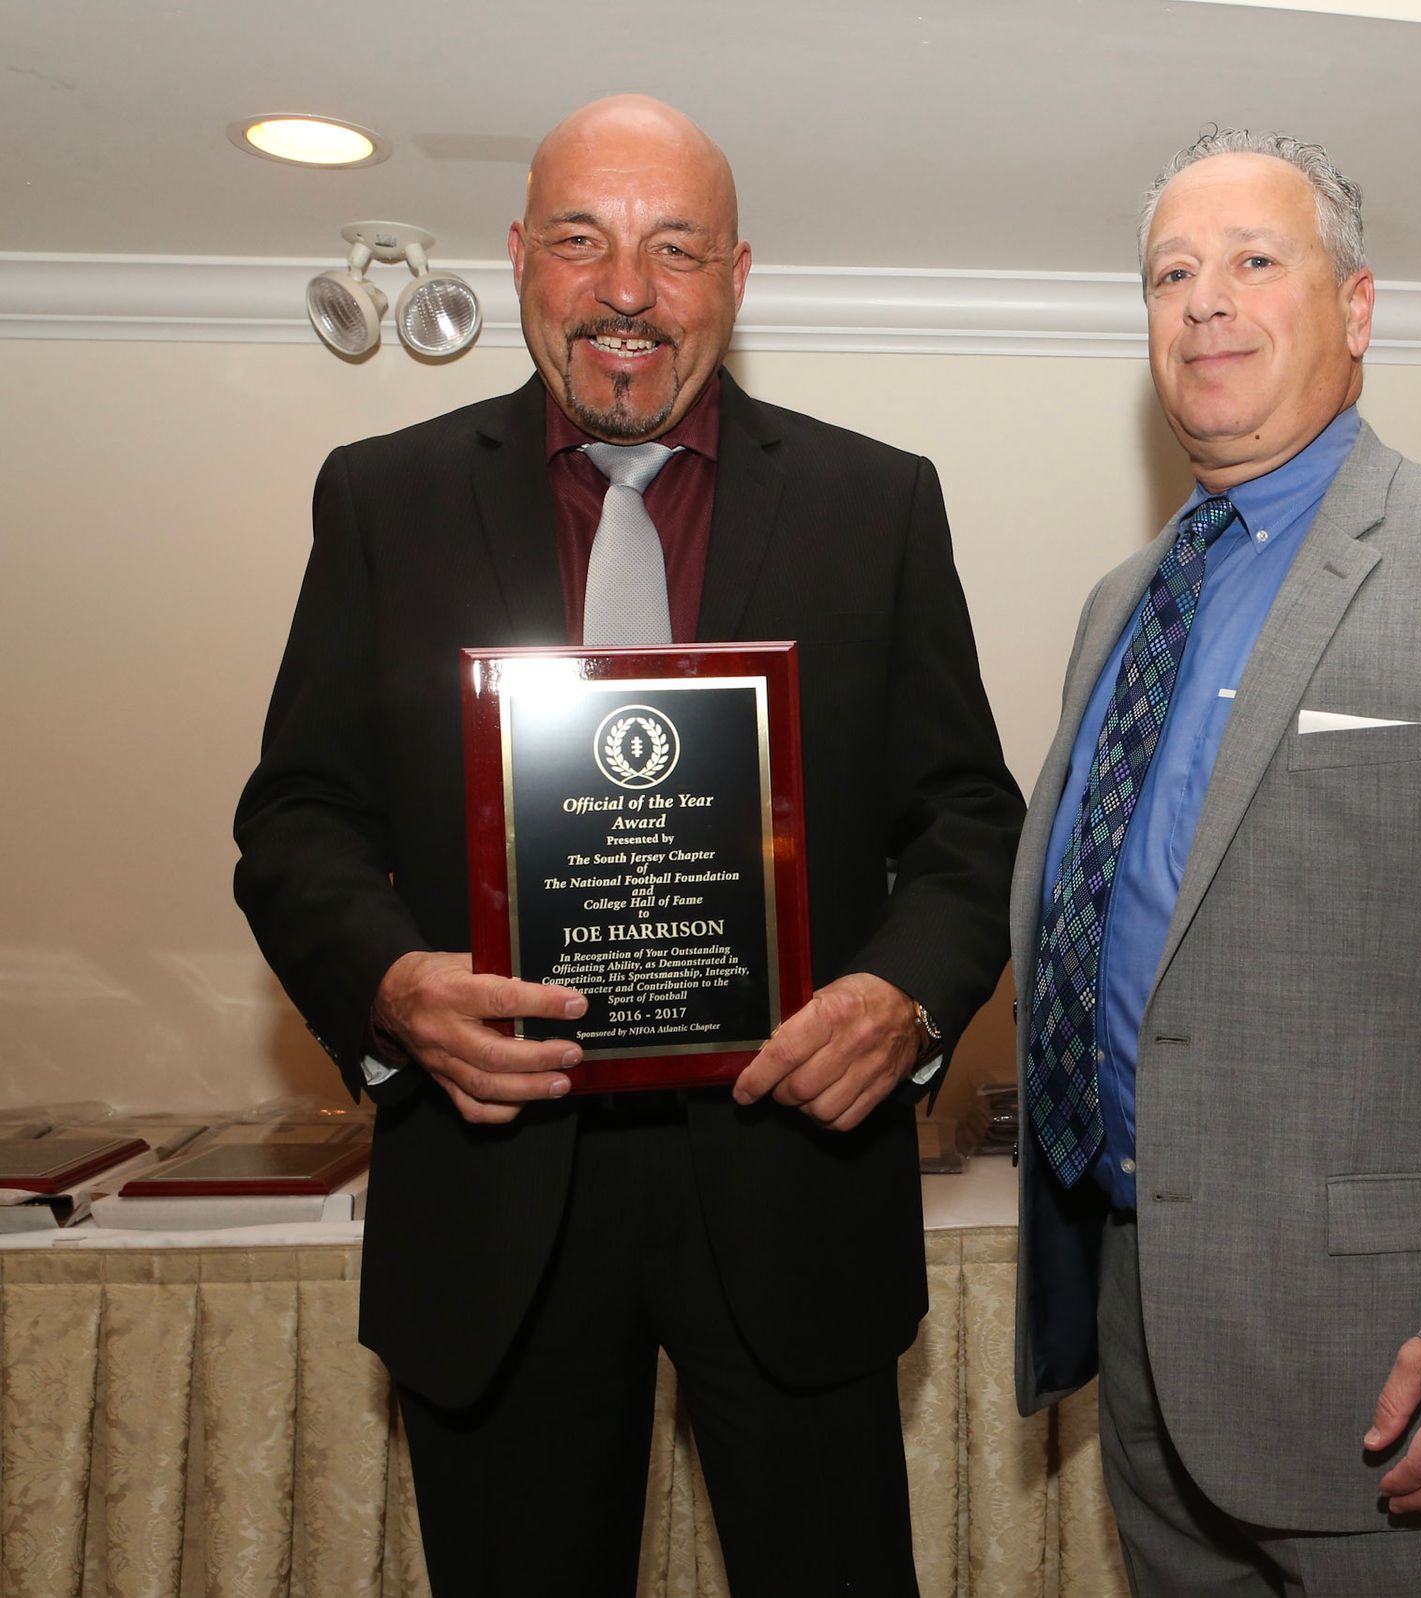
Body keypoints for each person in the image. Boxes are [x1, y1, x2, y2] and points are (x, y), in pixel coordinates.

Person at [235, 94, 1022, 1597]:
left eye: (676, 250)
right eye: (585, 242)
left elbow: (969, 814)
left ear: (737, 276)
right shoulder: (385, 500)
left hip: (793, 1174)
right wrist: (393, 985)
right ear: (522, 258)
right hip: (495, 1186)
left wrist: (906, 998)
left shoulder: (877, 503)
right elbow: (296, 819)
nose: (627, 292)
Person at [1012, 129, 1421, 1596]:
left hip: (1400, 1372)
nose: (1205, 301)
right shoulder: (1119, 604)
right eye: (1171, 273)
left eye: (1256, 260)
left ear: (1357, 309)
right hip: (1144, 1344)